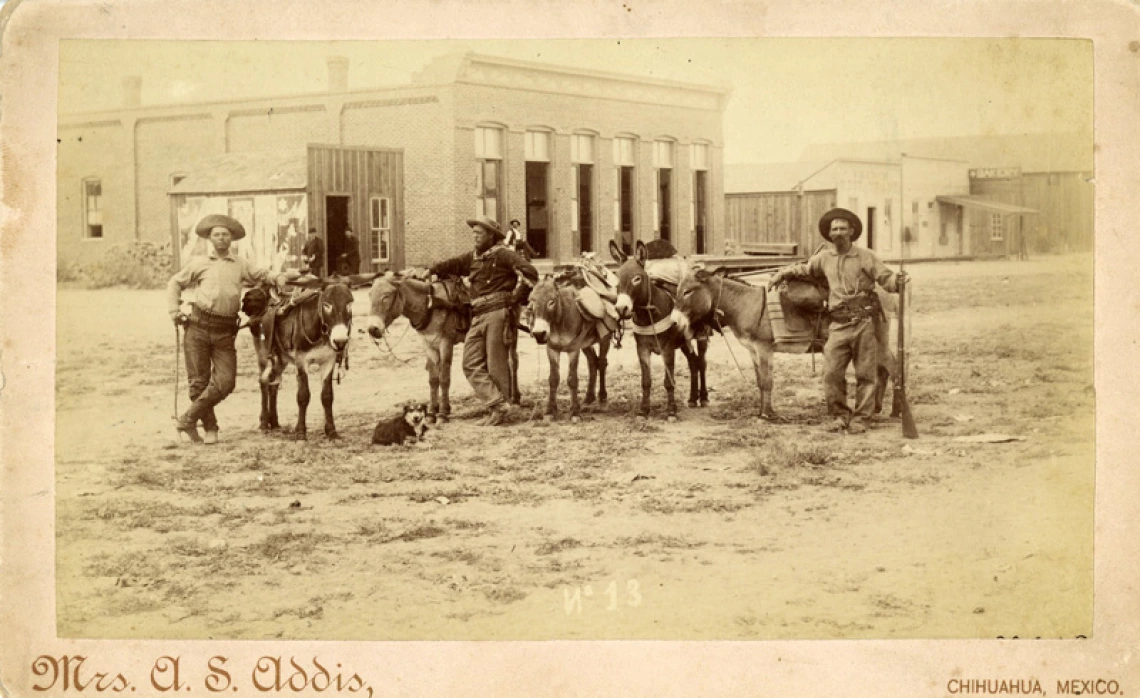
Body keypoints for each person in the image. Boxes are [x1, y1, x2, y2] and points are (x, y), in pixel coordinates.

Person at [770, 208, 906, 435]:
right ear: (829, 234)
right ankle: (838, 415)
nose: (839, 233)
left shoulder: (866, 256)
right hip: (838, 324)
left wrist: (898, 281)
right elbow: (805, 268)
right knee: (832, 373)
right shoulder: (824, 258)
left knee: (865, 374)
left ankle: (862, 418)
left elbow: (886, 279)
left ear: (852, 231)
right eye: (834, 229)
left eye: (843, 228)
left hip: (864, 322)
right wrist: (783, 273)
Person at [167, 214, 288, 444]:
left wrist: (278, 276)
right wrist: (174, 311)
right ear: (210, 239)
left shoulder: (240, 263)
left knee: (226, 381)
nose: (221, 238)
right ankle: (210, 428)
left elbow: (261, 274)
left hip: (224, 332)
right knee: (198, 383)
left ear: (232, 239)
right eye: (217, 235)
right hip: (197, 328)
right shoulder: (199, 263)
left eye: (225, 235)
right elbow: (175, 283)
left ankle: (186, 419)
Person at [416, 216, 538, 426]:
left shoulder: (504, 255)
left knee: (495, 364)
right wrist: (431, 270)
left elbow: (530, 272)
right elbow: (452, 264)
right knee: (470, 363)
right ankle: (498, 403)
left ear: (491, 236)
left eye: (479, 233)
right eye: (473, 233)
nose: (475, 236)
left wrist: (516, 296)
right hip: (478, 314)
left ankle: (500, 411)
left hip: (497, 313)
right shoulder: (473, 258)